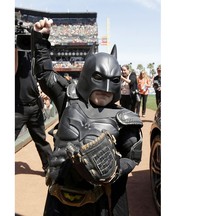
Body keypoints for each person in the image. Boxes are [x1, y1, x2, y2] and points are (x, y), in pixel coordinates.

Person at [31, 18, 143, 216]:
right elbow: (45, 74)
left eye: (112, 82)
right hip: (58, 195)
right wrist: (41, 39)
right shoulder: (67, 97)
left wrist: (114, 169)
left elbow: (132, 158)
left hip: (97, 200)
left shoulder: (124, 117)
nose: (105, 90)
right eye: (99, 80)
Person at [15, 48, 53, 173]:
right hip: (17, 107)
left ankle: (50, 169)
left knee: (41, 141)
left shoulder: (30, 53)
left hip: (34, 106)